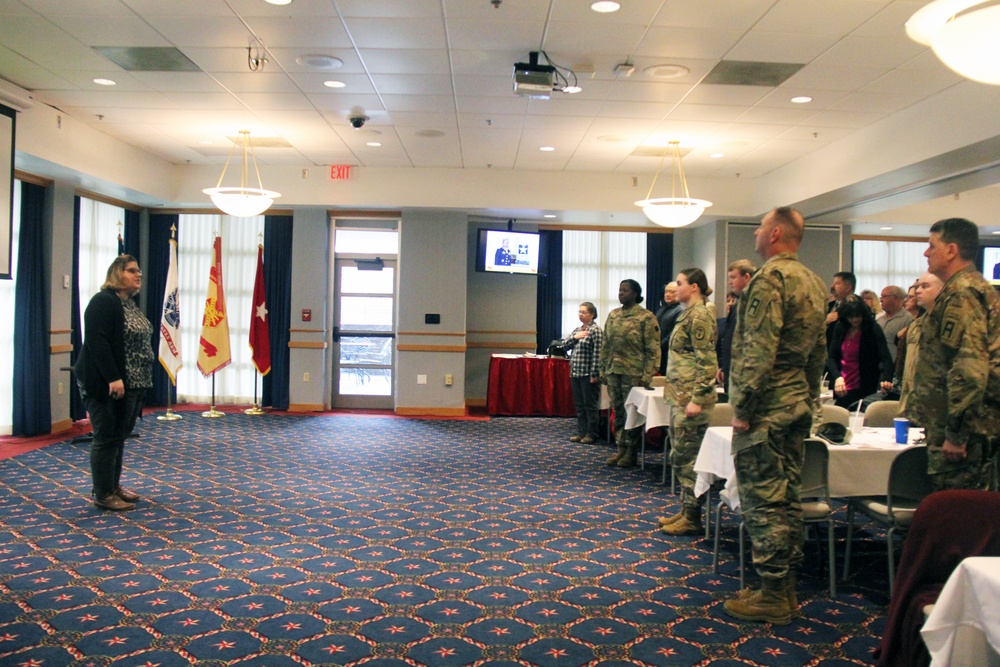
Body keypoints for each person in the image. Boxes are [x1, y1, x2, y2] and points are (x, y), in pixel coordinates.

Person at [723, 206, 827, 625]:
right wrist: (809, 395)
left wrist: (743, 408)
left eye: (761, 225)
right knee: (788, 498)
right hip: (796, 401)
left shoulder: (771, 279)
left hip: (766, 406)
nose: (755, 231)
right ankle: (782, 586)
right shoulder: (814, 281)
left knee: (763, 501)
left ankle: (773, 594)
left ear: (777, 233)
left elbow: (757, 351)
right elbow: (818, 351)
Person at [912, 218, 1000, 491]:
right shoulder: (972, 288)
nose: (926, 253)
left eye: (931, 246)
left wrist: (956, 434)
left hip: (967, 434)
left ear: (951, 250)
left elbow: (969, 370)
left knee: (958, 520)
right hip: (974, 427)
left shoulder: (961, 294)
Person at [74, 255, 154, 511]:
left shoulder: (128, 303)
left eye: (138, 271)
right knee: (106, 436)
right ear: (117, 274)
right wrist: (113, 378)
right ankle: (103, 493)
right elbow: (97, 342)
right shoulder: (103, 301)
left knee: (118, 436)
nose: (137, 275)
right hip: (107, 384)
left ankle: (112, 486)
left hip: (133, 384)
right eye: (131, 271)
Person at [657, 269, 718, 536]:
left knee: (689, 457)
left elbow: (707, 362)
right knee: (680, 455)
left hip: (691, 400)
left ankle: (693, 516)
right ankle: (686, 509)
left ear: (694, 287)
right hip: (679, 396)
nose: (675, 288)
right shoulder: (687, 314)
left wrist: (698, 399)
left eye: (679, 284)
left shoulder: (701, 315)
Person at [599, 279, 661, 468]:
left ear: (635, 293)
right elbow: (606, 344)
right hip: (613, 370)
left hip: (634, 373)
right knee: (617, 410)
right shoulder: (614, 315)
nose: (621, 293)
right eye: (619, 290)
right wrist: (602, 368)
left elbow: (653, 349)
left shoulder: (646, 317)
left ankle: (632, 451)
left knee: (631, 412)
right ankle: (621, 448)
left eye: (625, 290)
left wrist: (648, 374)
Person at [827, 295, 894, 410]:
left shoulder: (873, 328)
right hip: (842, 385)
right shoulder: (840, 327)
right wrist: (837, 377)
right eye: (850, 317)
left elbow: (885, 357)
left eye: (858, 316)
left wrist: (886, 378)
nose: (854, 320)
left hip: (865, 384)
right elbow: (831, 356)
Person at [898, 273, 942, 418]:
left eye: (925, 286)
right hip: (911, 400)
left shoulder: (945, 324)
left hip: (936, 404)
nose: (917, 291)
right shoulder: (916, 325)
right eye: (917, 287)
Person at [561, 302, 604, 444]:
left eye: (584, 312)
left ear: (592, 314)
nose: (581, 314)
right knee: (579, 406)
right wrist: (575, 337)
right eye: (579, 312)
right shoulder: (577, 330)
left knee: (590, 406)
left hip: (588, 374)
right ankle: (581, 432)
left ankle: (592, 434)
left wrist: (594, 374)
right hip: (575, 373)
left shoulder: (595, 330)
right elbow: (564, 346)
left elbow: (598, 353)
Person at [716, 259, 756, 393]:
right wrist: (724, 366)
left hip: (743, 373)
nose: (729, 282)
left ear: (747, 277)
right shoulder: (738, 304)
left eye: (733, 277)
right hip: (731, 370)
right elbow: (729, 338)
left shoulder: (752, 305)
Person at [875, 285, 912, 364]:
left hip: (895, 365)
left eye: (884, 297)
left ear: (896, 298)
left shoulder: (908, 319)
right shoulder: (879, 320)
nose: (881, 300)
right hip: (877, 366)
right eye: (880, 297)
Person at [654, 282, 681, 375]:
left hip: (669, 353)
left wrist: (660, 346)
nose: (668, 294)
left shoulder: (680, 310)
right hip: (658, 352)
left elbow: (674, 332)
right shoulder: (662, 309)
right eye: (666, 292)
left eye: (672, 292)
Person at [825, 271, 856, 341]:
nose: (832, 286)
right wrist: (825, 321)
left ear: (848, 287)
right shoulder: (830, 305)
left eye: (837, 283)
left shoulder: (856, 307)